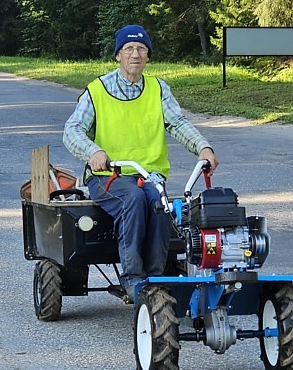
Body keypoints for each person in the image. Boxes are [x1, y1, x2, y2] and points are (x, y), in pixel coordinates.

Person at [63, 24, 219, 302]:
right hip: (106, 177)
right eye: (128, 49)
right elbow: (72, 131)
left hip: (149, 175)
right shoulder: (97, 90)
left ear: (148, 57)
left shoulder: (158, 89)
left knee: (160, 205)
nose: (135, 54)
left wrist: (203, 147)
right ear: (118, 56)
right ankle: (134, 279)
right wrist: (93, 151)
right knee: (133, 199)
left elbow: (177, 122)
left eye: (141, 49)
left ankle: (155, 279)